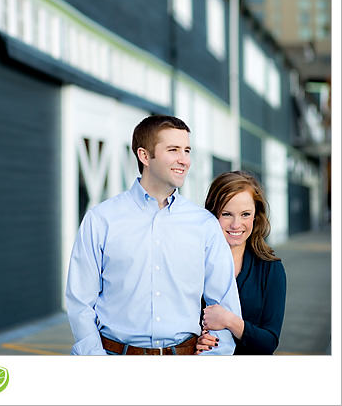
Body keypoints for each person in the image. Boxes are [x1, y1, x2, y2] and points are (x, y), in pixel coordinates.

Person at [65, 114, 241, 355]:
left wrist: (213, 356)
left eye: (187, 150)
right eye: (173, 150)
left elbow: (224, 301)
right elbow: (80, 300)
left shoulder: (204, 224)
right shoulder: (101, 219)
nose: (184, 160)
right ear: (144, 156)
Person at [196, 171, 286, 354]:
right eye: (227, 214)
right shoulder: (193, 264)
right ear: (212, 215)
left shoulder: (271, 269)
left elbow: (269, 342)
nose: (236, 225)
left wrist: (230, 321)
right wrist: (195, 340)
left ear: (256, 216)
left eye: (245, 214)